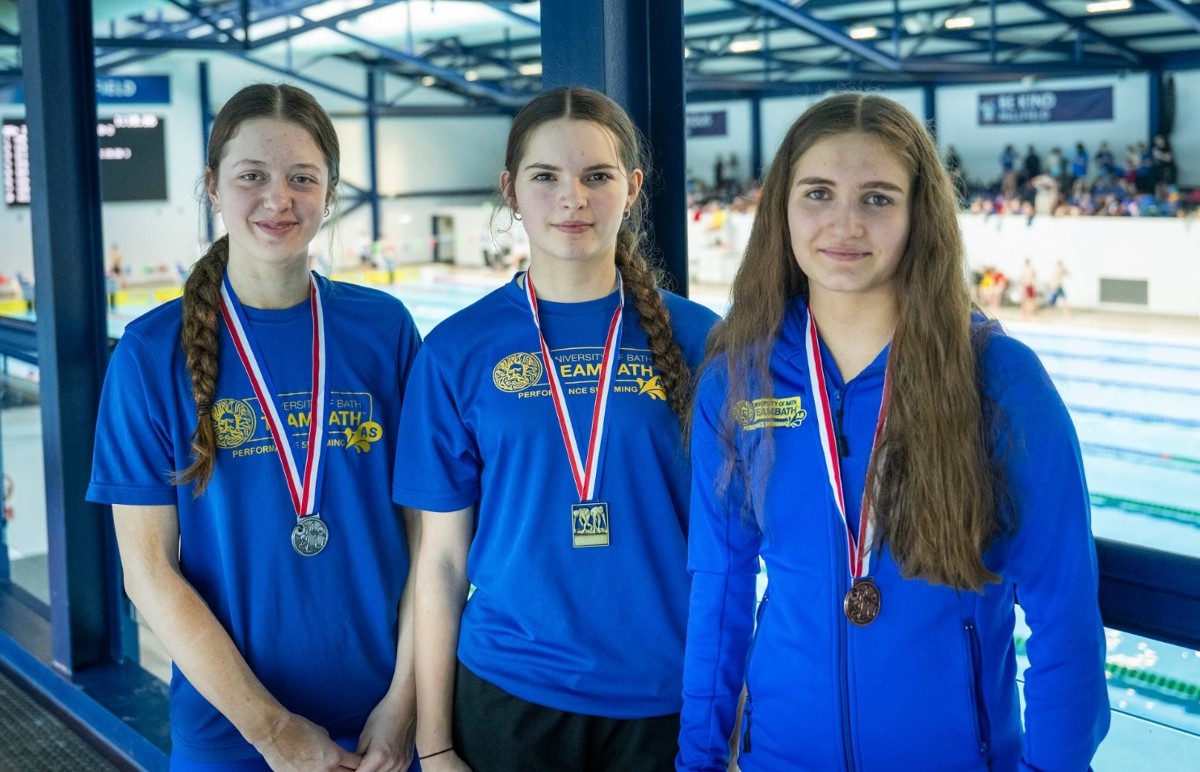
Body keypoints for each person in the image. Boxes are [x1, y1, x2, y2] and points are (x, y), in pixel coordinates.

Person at [677, 93, 1109, 771]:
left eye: (877, 198)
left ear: (918, 215)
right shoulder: (738, 382)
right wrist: (697, 763)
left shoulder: (998, 381)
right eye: (818, 193)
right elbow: (720, 592)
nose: (845, 223)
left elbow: (1065, 619)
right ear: (782, 208)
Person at [87, 83, 422, 771]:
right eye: (252, 177)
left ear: (330, 193)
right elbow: (148, 573)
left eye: (303, 178)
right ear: (213, 185)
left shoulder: (384, 330)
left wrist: (407, 703)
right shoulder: (150, 354)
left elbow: (430, 542)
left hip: (386, 727)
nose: (279, 199)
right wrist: (273, 732)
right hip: (232, 735)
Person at [397, 86, 719, 771]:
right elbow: (442, 562)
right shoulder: (457, 351)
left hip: (667, 700)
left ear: (632, 189)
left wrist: (735, 703)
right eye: (545, 177)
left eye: (597, 176)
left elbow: (734, 545)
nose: (572, 198)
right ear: (510, 190)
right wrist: (434, 741)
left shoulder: (701, 340)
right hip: (509, 699)